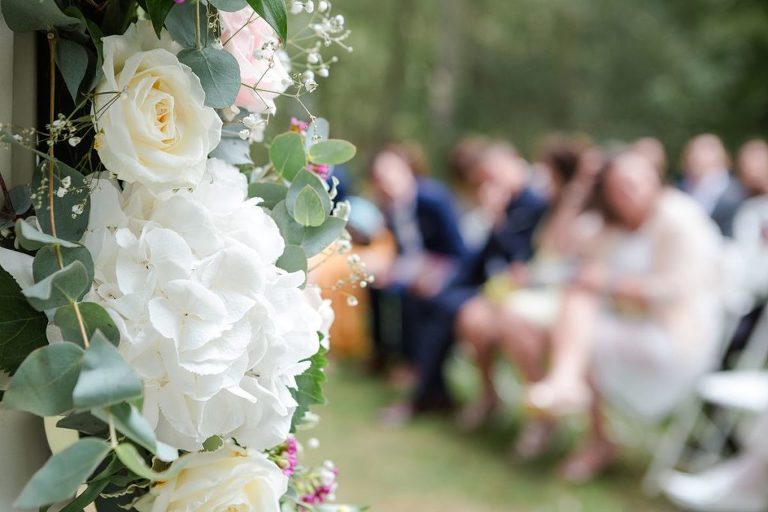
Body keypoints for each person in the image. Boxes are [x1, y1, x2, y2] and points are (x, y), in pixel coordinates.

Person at [523, 150, 723, 481]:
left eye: (637, 181)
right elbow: (558, 247)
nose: (629, 191)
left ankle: (582, 413)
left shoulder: (680, 219)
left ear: (655, 180)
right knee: (575, 301)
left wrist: (612, 283)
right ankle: (574, 398)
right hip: (626, 327)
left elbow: (679, 290)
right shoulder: (612, 224)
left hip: (674, 337)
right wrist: (579, 190)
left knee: (573, 331)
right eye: (619, 186)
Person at [379, 139, 548, 424]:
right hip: (483, 281)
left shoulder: (532, 203)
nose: (490, 185)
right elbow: (482, 257)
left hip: (514, 290)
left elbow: (517, 256)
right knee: (432, 299)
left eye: (493, 177)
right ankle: (430, 388)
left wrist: (495, 216)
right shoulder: (513, 201)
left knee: (446, 307)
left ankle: (425, 395)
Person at [456, 139, 599, 456]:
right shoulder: (549, 206)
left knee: (511, 320)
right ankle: (490, 395)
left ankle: (543, 411)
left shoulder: (575, 213)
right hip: (530, 288)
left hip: (558, 297)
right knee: (471, 316)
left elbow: (569, 266)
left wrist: (529, 275)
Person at [367, 143, 467, 378]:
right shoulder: (391, 207)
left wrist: (430, 271)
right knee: (374, 281)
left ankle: (415, 364)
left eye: (392, 171)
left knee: (412, 294)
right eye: (381, 176)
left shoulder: (432, 198)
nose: (386, 180)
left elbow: (457, 249)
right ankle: (382, 356)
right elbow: (405, 251)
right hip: (413, 266)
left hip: (447, 267)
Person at [680, 134, 745, 237]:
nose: (697, 156)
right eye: (694, 151)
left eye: (706, 151)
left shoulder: (738, 192)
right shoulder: (680, 189)